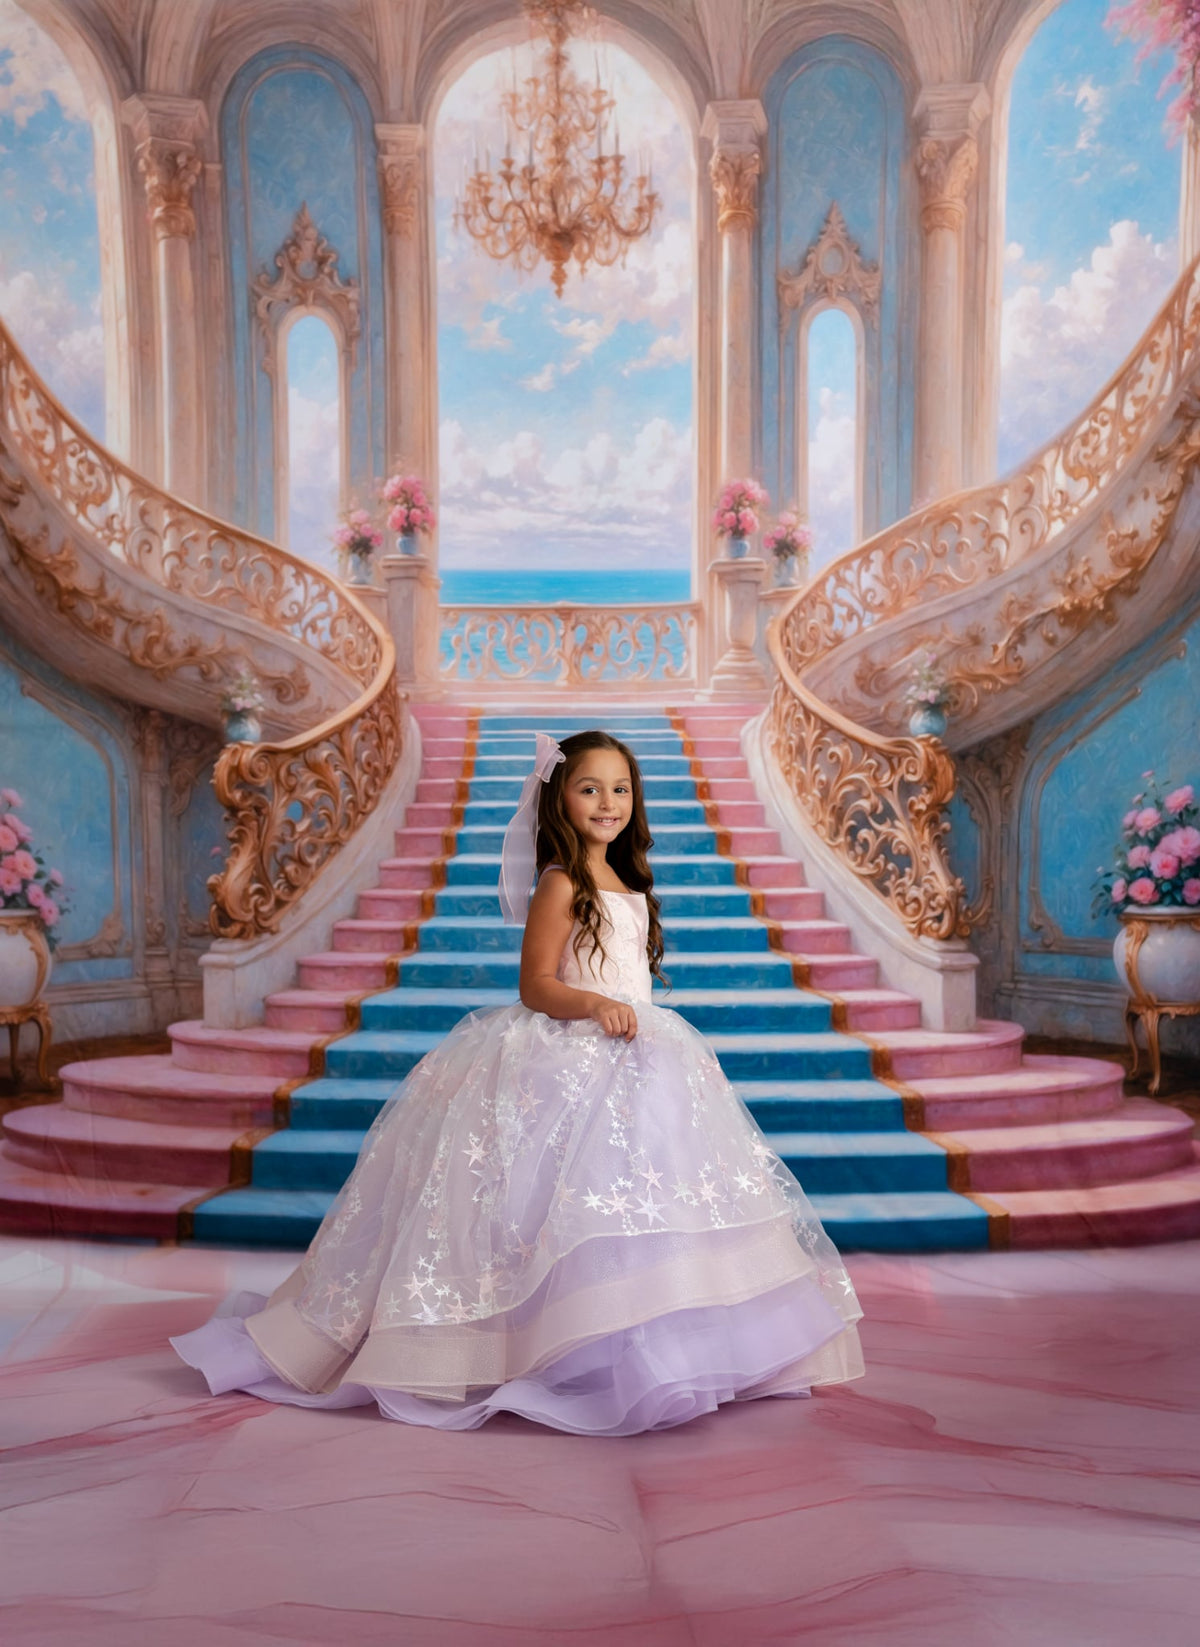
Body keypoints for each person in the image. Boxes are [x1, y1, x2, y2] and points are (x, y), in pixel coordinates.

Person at [171, 729, 864, 1435]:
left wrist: (622, 1007)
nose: (608, 802)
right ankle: (531, 1346)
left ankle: (655, 1347)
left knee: (646, 1203)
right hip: (575, 1048)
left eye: (620, 789)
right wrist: (592, 1003)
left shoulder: (630, 883)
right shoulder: (562, 881)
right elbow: (536, 984)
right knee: (547, 1205)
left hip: (644, 1055)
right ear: (560, 799)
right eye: (589, 788)